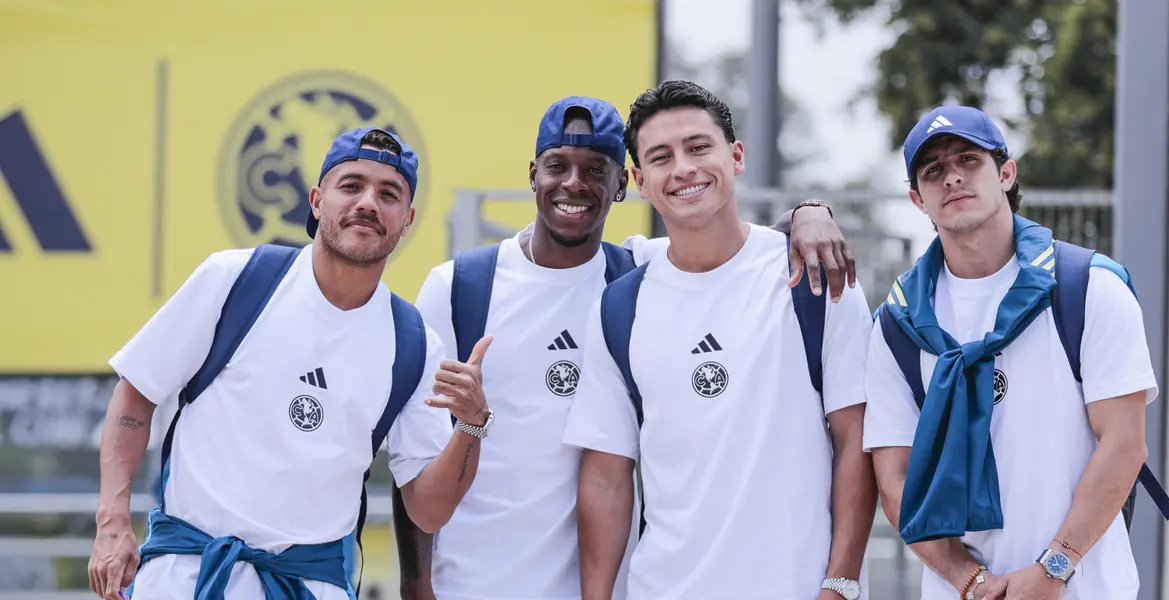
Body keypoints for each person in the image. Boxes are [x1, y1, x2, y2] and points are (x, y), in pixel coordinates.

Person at [391, 94, 860, 600]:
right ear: (533, 174)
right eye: (558, 166)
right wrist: (416, 583)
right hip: (473, 584)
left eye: (596, 168)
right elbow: (416, 453)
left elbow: (729, 250)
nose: (574, 183)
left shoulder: (632, 275)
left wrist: (811, 211)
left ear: (622, 184)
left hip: (613, 584)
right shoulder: (461, 287)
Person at [86, 128, 493, 600]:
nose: (368, 202)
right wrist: (112, 521)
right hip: (187, 578)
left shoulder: (417, 343)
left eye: (388, 194)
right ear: (317, 200)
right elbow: (137, 392)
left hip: (310, 587)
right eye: (351, 185)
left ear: (407, 220)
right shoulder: (237, 278)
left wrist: (471, 425)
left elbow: (428, 510)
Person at [561, 81, 877, 600]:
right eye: (660, 157)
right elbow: (606, 476)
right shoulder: (622, 304)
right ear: (640, 180)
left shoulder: (815, 277)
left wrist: (839, 583)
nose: (683, 168)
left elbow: (855, 440)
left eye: (698, 147)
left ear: (736, 157)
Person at [863, 105, 1161, 600]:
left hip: (1085, 588)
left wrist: (1053, 569)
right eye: (933, 170)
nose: (953, 177)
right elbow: (895, 480)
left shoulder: (1089, 288)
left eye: (968, 159)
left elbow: (1124, 444)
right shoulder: (897, 324)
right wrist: (971, 581)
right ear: (918, 199)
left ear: (1006, 173)